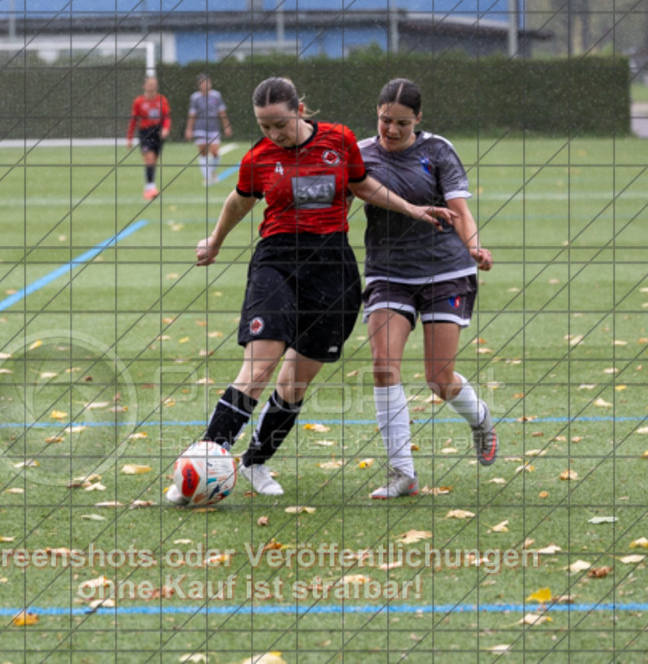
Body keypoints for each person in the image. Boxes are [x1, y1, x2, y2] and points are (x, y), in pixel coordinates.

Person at [166, 76, 453, 505]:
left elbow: (361, 185)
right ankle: (200, 464)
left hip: (332, 269)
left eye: (279, 124)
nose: (273, 134)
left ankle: (255, 462)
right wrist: (216, 240)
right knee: (258, 370)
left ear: (299, 109)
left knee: (294, 382)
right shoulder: (258, 158)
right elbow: (238, 201)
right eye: (264, 126)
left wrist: (411, 208)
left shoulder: (339, 140)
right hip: (276, 262)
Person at [359, 78, 496, 499]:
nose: (392, 130)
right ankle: (403, 473)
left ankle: (480, 419)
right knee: (384, 365)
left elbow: (461, 213)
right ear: (377, 114)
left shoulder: (438, 151)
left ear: (418, 119)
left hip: (445, 271)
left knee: (438, 378)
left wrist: (474, 246)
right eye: (385, 120)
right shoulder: (361, 155)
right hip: (387, 272)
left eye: (401, 122)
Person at [126, 76, 171, 200]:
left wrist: (166, 128)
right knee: (149, 159)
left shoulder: (162, 100)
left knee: (153, 162)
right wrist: (129, 137)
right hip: (145, 132)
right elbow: (134, 120)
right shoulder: (139, 101)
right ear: (144, 86)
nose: (152, 87)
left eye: (154, 84)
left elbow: (166, 116)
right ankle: (150, 188)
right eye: (150, 84)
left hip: (158, 132)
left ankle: (149, 187)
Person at [184, 74, 232, 186]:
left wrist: (226, 126)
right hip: (200, 127)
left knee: (215, 152)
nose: (205, 85)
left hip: (213, 127)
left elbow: (222, 112)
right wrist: (189, 129)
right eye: (202, 83)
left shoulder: (216, 96)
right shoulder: (195, 98)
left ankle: (213, 172)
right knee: (203, 152)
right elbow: (192, 114)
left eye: (207, 82)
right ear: (199, 85)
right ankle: (207, 178)